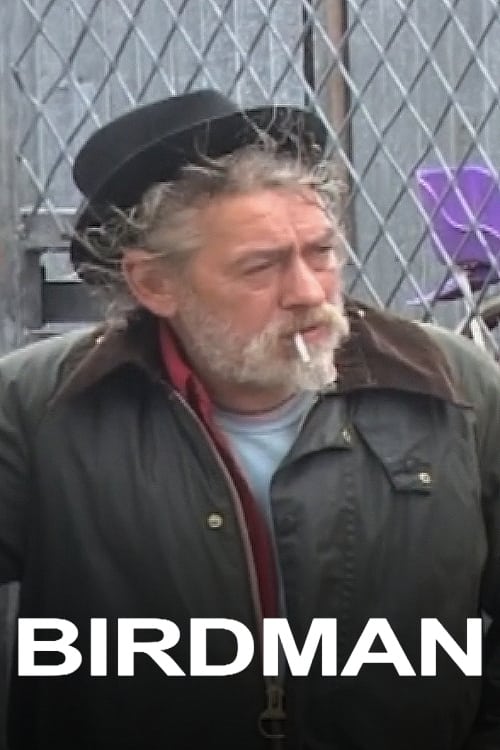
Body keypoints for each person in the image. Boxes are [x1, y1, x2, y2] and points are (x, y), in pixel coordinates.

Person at [0, 88, 499, 750]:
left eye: (321, 252)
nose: (309, 293)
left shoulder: (450, 384)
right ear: (155, 284)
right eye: (261, 267)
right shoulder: (39, 407)